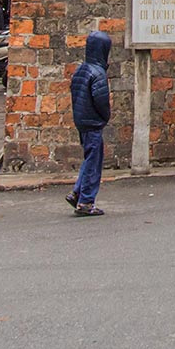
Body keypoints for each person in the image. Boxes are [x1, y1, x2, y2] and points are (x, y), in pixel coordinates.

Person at [66, 30, 112, 217]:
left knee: (89, 158)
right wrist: (105, 117)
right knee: (94, 162)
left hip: (82, 122)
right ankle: (86, 200)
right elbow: (101, 101)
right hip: (93, 123)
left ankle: (77, 192)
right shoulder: (98, 73)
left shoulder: (81, 70)